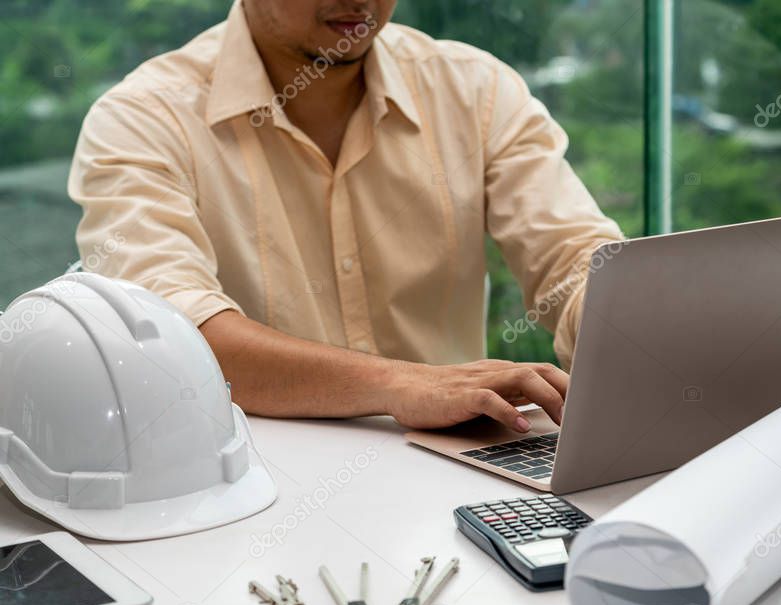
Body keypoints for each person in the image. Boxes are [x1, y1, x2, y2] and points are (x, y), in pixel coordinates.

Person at [70, 0, 624, 434]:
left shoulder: (477, 92)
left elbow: (574, 263)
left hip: (457, 467)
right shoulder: (143, 118)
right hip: (245, 489)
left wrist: (633, 320)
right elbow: (173, 339)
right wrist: (400, 384)